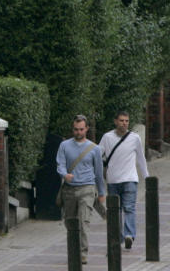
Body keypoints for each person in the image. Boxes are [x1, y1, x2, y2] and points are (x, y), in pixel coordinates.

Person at [57, 114, 107, 264]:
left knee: (83, 222)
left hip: (87, 188)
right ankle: (73, 250)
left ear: (86, 129)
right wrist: (65, 174)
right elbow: (60, 164)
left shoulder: (94, 149)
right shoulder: (64, 145)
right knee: (70, 222)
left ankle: (83, 253)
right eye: (75, 129)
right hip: (69, 190)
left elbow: (99, 173)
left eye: (81, 129)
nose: (78, 132)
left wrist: (102, 193)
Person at [99, 110, 149, 250]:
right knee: (116, 210)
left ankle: (129, 235)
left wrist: (147, 177)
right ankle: (119, 236)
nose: (124, 123)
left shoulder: (135, 138)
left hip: (130, 179)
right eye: (121, 120)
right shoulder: (107, 137)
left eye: (126, 121)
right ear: (115, 121)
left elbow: (141, 158)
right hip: (113, 180)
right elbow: (97, 154)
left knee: (129, 207)